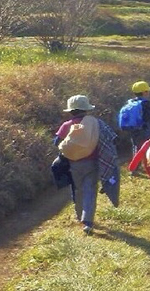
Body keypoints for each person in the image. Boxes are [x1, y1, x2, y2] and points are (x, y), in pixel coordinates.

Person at [54, 95, 102, 235]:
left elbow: (57, 142)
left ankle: (79, 215)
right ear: (86, 110)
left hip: (73, 164)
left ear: (70, 111)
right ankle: (88, 221)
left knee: (78, 189)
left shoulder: (67, 125)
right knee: (90, 191)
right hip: (92, 162)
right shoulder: (94, 123)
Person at [127, 81, 150, 175]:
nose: (149, 93)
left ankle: (134, 169)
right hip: (146, 131)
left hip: (134, 131)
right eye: (147, 91)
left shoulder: (132, 102)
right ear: (144, 92)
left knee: (137, 149)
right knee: (147, 150)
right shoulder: (146, 103)